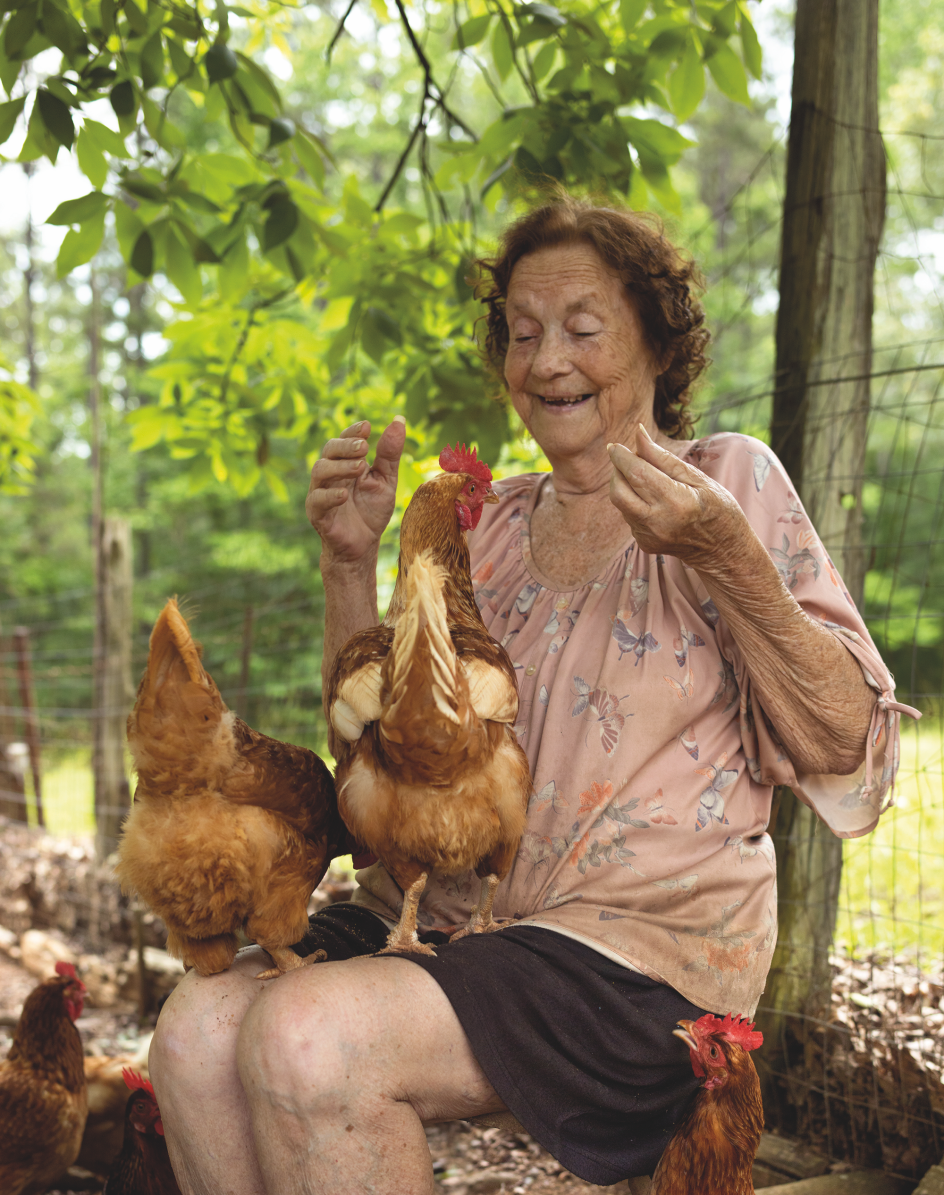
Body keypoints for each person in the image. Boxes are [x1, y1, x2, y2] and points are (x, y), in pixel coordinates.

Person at [149, 197, 914, 1195]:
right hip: (443, 915)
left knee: (310, 1037)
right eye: (520, 331)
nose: (546, 358)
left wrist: (726, 557)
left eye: (582, 328)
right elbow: (381, 783)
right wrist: (348, 565)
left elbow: (845, 737)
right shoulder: (489, 528)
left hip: (637, 953)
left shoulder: (726, 484)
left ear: (655, 340)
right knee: (195, 1033)